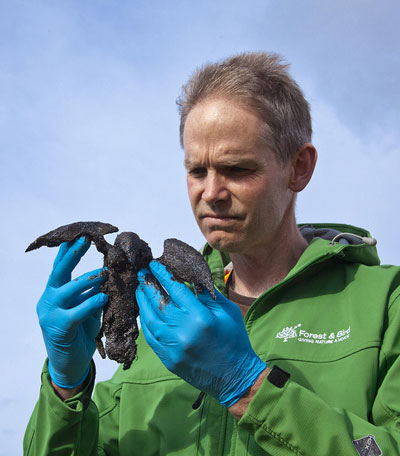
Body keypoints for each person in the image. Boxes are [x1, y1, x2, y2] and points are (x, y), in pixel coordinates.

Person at [24, 52, 400, 456]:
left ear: (299, 168)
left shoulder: (384, 305)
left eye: (237, 170)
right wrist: (67, 389)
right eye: (197, 171)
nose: (211, 193)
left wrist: (249, 386)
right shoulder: (159, 323)